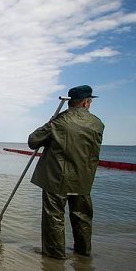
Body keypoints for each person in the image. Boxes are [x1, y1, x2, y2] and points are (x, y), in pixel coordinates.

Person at [28, 85, 104, 259]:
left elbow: (33, 140)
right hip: (84, 179)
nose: (90, 104)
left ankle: (55, 256)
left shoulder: (60, 122)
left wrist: (50, 123)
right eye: (90, 101)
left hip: (57, 178)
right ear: (85, 103)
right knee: (83, 217)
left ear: (71, 102)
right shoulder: (97, 124)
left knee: (54, 217)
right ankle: (83, 253)